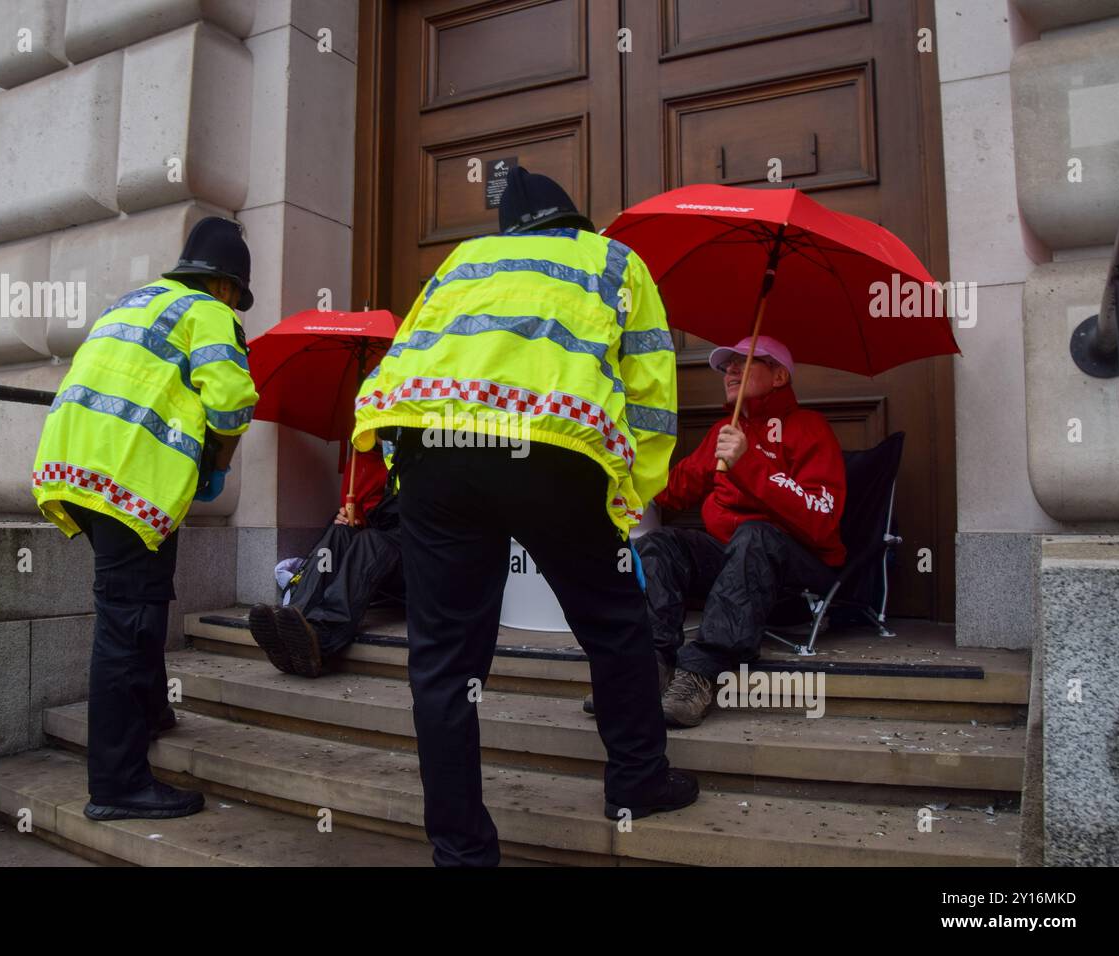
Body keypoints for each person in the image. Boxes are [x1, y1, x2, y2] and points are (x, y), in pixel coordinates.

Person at [352, 167, 698, 867]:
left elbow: (404, 360)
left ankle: (461, 851)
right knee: (614, 622)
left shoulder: (461, 262)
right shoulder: (615, 261)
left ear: (508, 228)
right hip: (555, 451)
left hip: (435, 452)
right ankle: (636, 781)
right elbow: (653, 395)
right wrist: (630, 498)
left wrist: (404, 474)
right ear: (576, 217)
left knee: (443, 664)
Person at [31, 217, 260, 821]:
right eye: (239, 296)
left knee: (140, 603)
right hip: (129, 479)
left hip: (75, 470)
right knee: (127, 626)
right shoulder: (209, 313)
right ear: (228, 287)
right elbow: (234, 403)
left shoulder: (134, 303)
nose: (237, 307)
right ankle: (117, 783)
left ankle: (152, 709)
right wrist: (219, 465)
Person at [635, 335, 846, 728]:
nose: (730, 370)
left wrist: (748, 463)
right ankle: (648, 666)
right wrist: (624, 463)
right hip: (735, 570)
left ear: (780, 375)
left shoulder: (810, 429)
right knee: (661, 543)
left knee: (755, 535)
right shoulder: (724, 431)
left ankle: (699, 676)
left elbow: (822, 521)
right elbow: (674, 490)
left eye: (744, 362)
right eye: (726, 365)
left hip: (796, 578)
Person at [248, 445, 404, 677]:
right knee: (339, 531)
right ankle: (293, 621)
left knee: (369, 542)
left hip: (414, 557)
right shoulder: (363, 460)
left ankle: (322, 638)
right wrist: (348, 518)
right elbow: (359, 517)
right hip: (379, 553)